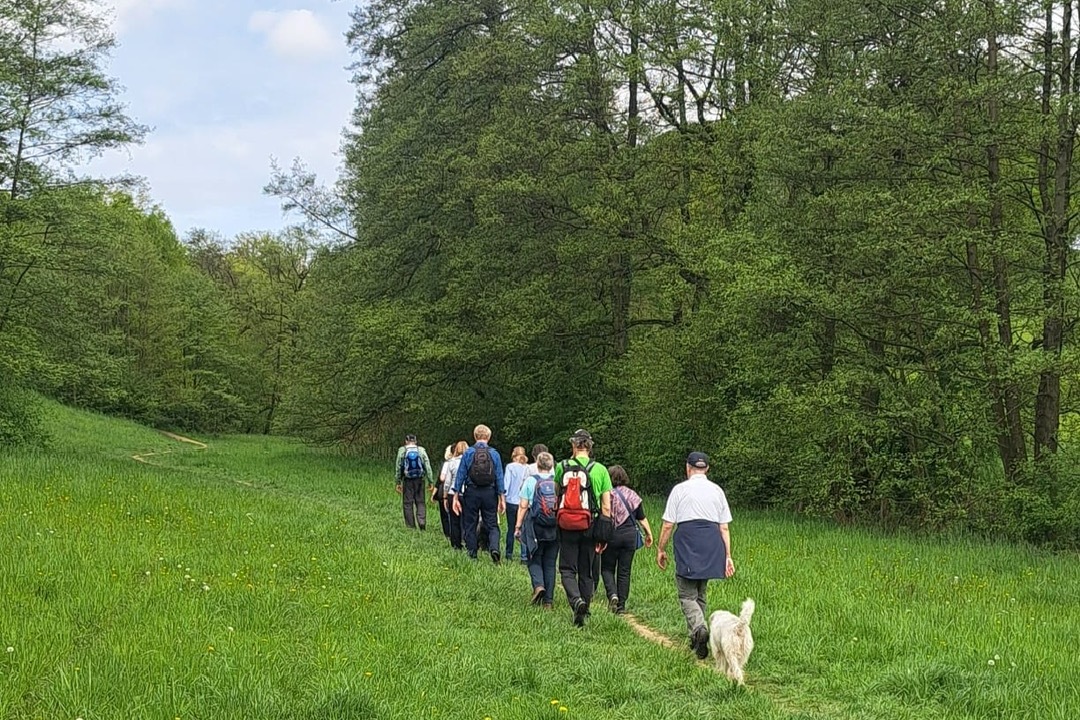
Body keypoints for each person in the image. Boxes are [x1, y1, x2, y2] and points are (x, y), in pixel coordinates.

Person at [655, 451, 735, 660]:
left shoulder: (680, 490)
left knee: (686, 594)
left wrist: (661, 549)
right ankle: (696, 638)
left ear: (688, 468)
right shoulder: (717, 491)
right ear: (706, 469)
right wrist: (728, 555)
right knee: (700, 591)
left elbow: (668, 524)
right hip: (712, 542)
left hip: (688, 541)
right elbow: (724, 527)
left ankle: (699, 628)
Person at [554, 429, 612, 627]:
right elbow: (606, 506)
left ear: (574, 445)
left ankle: (575, 601)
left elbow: (556, 496)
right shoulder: (600, 470)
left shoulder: (562, 466)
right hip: (590, 525)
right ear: (589, 447)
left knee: (567, 569)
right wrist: (604, 535)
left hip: (567, 524)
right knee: (586, 571)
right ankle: (584, 609)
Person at [600, 465, 653, 615]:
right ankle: (621, 607)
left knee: (606, 568)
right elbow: (641, 518)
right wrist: (649, 534)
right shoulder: (633, 495)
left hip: (612, 535)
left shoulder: (607, 494)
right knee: (624, 571)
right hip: (629, 536)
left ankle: (612, 594)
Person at [450, 425, 506, 562]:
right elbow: (499, 476)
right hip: (490, 493)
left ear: (475, 436)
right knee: (492, 524)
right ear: (489, 437)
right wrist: (502, 497)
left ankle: (472, 554)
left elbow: (461, 475)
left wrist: (455, 495)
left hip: (472, 492)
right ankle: (494, 548)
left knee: (470, 523)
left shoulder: (468, 453)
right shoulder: (494, 454)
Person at [514, 451, 559, 609]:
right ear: (551, 465)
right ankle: (548, 601)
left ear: (537, 464)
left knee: (534, 558)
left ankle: (538, 585)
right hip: (554, 527)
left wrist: (518, 526)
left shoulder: (530, 481)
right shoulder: (557, 482)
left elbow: (523, 506)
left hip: (535, 526)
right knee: (550, 563)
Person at [395, 434, 433, 530]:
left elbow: (398, 467)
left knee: (408, 503)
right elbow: (427, 466)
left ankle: (411, 526)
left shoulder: (402, 450)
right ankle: (422, 522)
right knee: (420, 502)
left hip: (407, 480)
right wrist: (430, 481)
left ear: (406, 441)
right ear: (415, 441)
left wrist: (398, 482)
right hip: (420, 479)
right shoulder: (421, 450)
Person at [503, 446, 530, 562]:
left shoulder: (510, 467)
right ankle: (524, 556)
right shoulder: (528, 468)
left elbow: (506, 485)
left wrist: (502, 499)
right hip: (524, 502)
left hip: (511, 501)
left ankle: (509, 554)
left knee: (511, 528)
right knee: (523, 529)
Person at [442, 441, 468, 549]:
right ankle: (467, 541)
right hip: (466, 493)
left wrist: (444, 496)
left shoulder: (451, 462)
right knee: (466, 519)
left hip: (452, 493)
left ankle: (456, 544)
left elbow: (447, 482)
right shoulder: (470, 462)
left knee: (454, 520)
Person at [433, 445, 454, 540]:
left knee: (444, 514)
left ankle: (447, 533)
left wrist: (434, 493)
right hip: (458, 492)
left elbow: (440, 479)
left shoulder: (446, 464)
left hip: (445, 491)